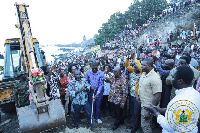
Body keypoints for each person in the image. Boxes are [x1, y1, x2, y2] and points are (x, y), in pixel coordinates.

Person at [144, 66, 200, 133]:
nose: (171, 79)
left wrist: (156, 113)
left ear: (180, 81)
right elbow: (182, 116)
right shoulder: (196, 94)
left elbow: (170, 127)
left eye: (173, 77)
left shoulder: (181, 102)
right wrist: (162, 110)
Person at [136, 58, 162, 133]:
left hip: (148, 106)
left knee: (145, 125)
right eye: (141, 65)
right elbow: (140, 86)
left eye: (143, 65)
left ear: (149, 66)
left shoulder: (155, 78)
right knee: (147, 124)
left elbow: (157, 96)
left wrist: (150, 111)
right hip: (143, 104)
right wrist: (137, 95)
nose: (141, 66)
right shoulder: (144, 74)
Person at [107, 66, 127, 130]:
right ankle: (121, 121)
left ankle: (116, 123)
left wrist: (123, 103)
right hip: (112, 97)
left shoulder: (123, 80)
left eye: (115, 72)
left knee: (118, 112)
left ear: (118, 72)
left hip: (119, 99)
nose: (113, 73)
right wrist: (106, 79)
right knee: (116, 111)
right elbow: (109, 81)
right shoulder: (113, 77)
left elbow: (125, 92)